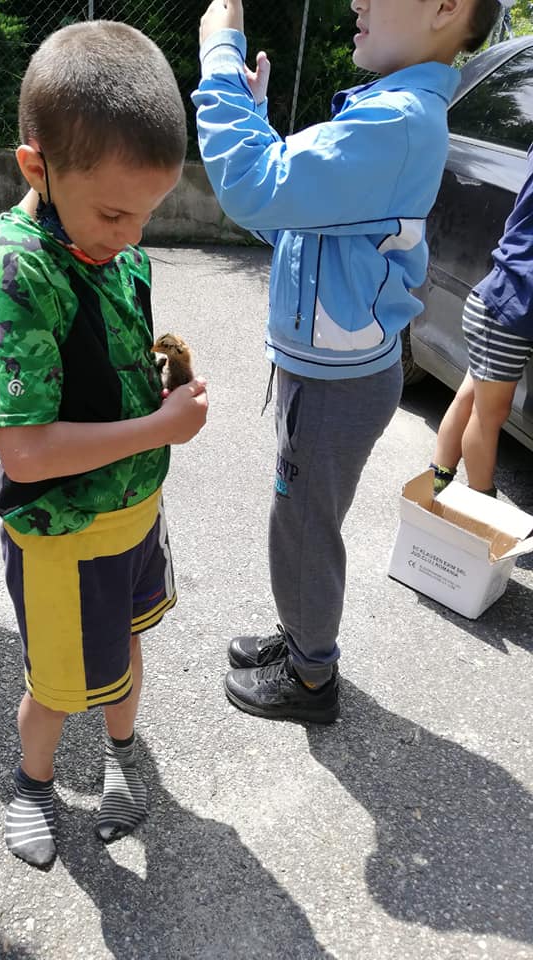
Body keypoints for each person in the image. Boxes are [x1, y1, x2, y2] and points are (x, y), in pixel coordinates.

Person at [193, 0, 506, 723]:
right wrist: (252, 117)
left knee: (303, 525)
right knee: (300, 515)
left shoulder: (394, 121)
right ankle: (301, 634)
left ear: (445, 8)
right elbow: (284, 215)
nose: (358, 1)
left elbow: (253, 188)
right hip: (330, 369)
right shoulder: (390, 112)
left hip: (336, 380)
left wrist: (219, 58)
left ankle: (311, 677)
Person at [0, 20, 208, 868]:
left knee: (128, 641)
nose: (132, 235)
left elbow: (113, 367)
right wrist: (160, 428)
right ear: (37, 168)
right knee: (57, 684)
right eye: (114, 212)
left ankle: (124, 758)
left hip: (135, 513)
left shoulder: (116, 248)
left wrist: (162, 387)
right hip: (63, 532)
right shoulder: (19, 271)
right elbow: (25, 453)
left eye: (149, 212)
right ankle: (32, 782)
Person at [430, 146, 533, 498]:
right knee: (490, 415)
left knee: (472, 394)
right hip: (507, 308)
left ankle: (435, 482)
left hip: (502, 302)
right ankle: (480, 502)